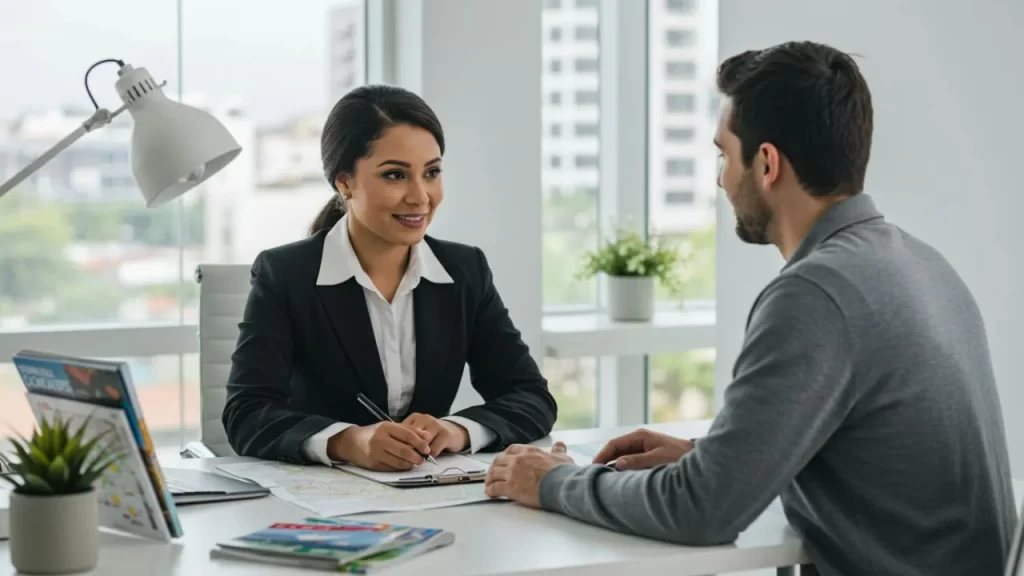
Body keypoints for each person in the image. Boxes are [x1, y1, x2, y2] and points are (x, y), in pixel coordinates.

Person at [485, 41, 1015, 575]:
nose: (719, 179)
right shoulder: (920, 263)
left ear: (766, 163)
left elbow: (702, 511)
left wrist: (550, 481)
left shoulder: (817, 293)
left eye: (723, 154)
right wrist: (711, 455)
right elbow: (872, 450)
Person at [222, 84, 557, 471]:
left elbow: (531, 397)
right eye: (395, 175)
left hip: (429, 496)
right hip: (324, 508)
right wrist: (349, 441)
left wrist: (456, 430)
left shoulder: (465, 271)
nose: (420, 196)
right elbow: (246, 414)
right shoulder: (286, 275)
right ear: (344, 182)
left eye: (431, 173)